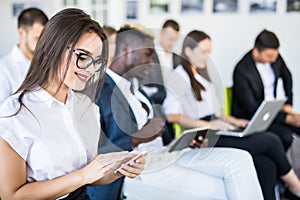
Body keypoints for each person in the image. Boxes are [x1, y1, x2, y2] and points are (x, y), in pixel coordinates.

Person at [87, 23, 264, 200]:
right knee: (223, 189)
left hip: (165, 154)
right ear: (127, 50)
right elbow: (95, 148)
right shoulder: (101, 90)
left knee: (241, 159)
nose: (151, 62)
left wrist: (184, 141)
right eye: (148, 55)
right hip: (138, 170)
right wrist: (140, 137)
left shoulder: (136, 90)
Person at [0, 8, 145, 200]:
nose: (90, 69)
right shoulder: (15, 113)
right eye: (83, 57)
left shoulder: (87, 107)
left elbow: (91, 174)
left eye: (97, 61)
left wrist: (122, 168)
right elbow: (11, 196)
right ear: (54, 48)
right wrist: (83, 176)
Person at [163, 30, 300, 200]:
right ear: (188, 51)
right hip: (202, 136)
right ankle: (296, 187)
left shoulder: (200, 76)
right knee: (270, 140)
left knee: (266, 163)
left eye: (209, 51)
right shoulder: (178, 76)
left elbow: (216, 114)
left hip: (217, 127)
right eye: (203, 52)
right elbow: (171, 115)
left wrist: (236, 121)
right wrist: (208, 125)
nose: (208, 56)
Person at [232, 29, 300, 151]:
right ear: (256, 51)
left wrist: (289, 104)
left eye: (276, 56)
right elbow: (252, 109)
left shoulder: (274, 58)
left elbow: (287, 77)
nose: (274, 60)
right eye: (269, 56)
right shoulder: (242, 70)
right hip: (253, 117)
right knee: (285, 136)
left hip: (274, 111)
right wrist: (286, 118)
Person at [0, 7, 48, 105]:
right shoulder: (4, 69)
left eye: (44, 39)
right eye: (37, 38)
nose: (41, 44)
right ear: (21, 32)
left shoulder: (47, 62)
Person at [140, 19, 180, 105]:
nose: (172, 43)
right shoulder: (148, 57)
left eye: (175, 39)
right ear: (161, 34)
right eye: (170, 39)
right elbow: (145, 87)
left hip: (173, 108)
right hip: (154, 107)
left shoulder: (178, 59)